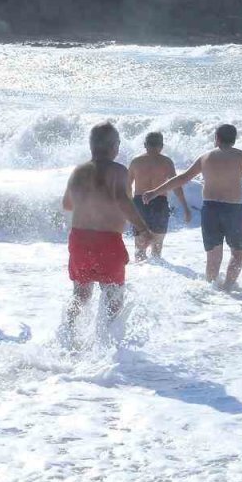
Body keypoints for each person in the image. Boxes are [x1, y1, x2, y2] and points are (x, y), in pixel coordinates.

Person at [143, 124, 242, 290]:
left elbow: (182, 178)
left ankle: (211, 290)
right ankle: (228, 288)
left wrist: (155, 192)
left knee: (213, 257)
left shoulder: (205, 157)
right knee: (238, 253)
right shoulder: (240, 156)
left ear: (217, 139)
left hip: (210, 210)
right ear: (234, 140)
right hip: (232, 211)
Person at [63, 123, 154, 330]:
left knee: (80, 295)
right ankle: (108, 340)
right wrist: (142, 229)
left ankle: (68, 335)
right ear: (115, 146)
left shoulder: (78, 171)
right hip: (107, 242)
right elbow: (122, 199)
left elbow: (67, 204)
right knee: (113, 297)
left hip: (79, 240)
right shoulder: (118, 170)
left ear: (91, 146)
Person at [127, 132, 191, 261]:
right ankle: (157, 270)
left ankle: (141, 270)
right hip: (159, 204)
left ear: (145, 145)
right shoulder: (167, 162)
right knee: (157, 247)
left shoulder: (136, 162)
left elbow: (127, 186)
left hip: (139, 203)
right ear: (161, 146)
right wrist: (185, 207)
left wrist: (128, 207)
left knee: (140, 247)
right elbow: (176, 186)